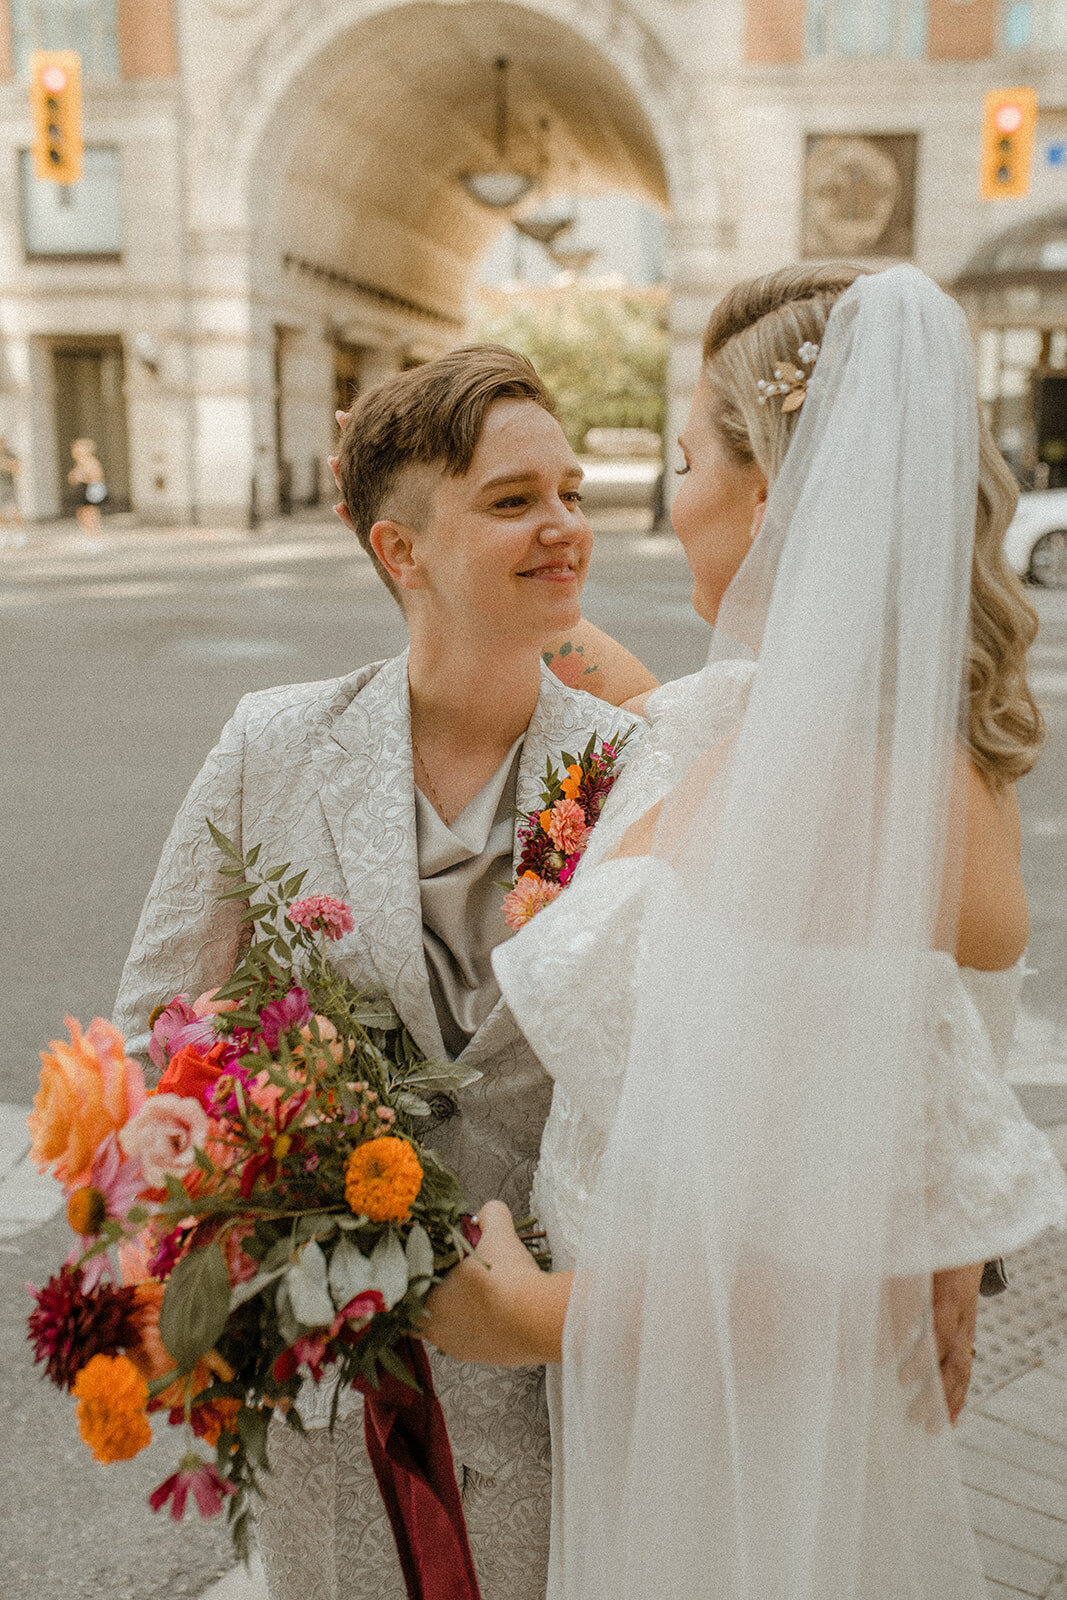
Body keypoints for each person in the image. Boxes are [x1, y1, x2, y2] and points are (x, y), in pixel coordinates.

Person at [420, 266, 1067, 1600]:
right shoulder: (820, 732)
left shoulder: (851, 788)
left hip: (735, 1458)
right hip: (700, 1423)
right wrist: (470, 565)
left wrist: (525, 1316)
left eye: (684, 457)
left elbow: (829, 1276)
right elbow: (670, 724)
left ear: (770, 499)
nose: (663, 501)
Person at [112, 345, 657, 1600]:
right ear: (398, 549)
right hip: (340, 1386)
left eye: (568, 491)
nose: (564, 525)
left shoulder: (626, 767)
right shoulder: (276, 743)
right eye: (513, 500)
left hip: (558, 1395)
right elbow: (163, 1023)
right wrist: (286, 1171)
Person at [67, 437, 107, 533]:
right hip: (85, 487)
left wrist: (83, 477)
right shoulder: (80, 463)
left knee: (90, 512)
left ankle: (93, 532)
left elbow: (97, 476)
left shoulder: (90, 462)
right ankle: (88, 531)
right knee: (82, 512)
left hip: (91, 488)